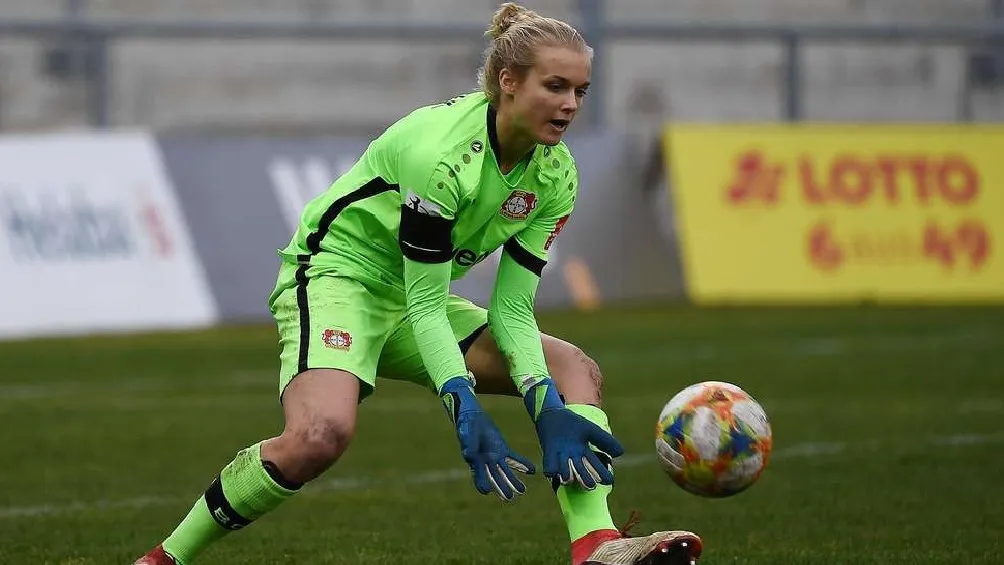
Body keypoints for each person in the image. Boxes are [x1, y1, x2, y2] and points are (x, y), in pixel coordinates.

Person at [133, 3, 702, 565]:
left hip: (411, 291)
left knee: (572, 370)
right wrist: (462, 403)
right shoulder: (442, 155)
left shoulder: (556, 174)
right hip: (340, 277)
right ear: (508, 82)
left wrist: (544, 400)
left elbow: (511, 307)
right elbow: (429, 305)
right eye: (555, 86)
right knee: (319, 435)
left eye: (580, 90)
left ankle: (596, 547)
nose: (570, 105)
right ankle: (165, 559)